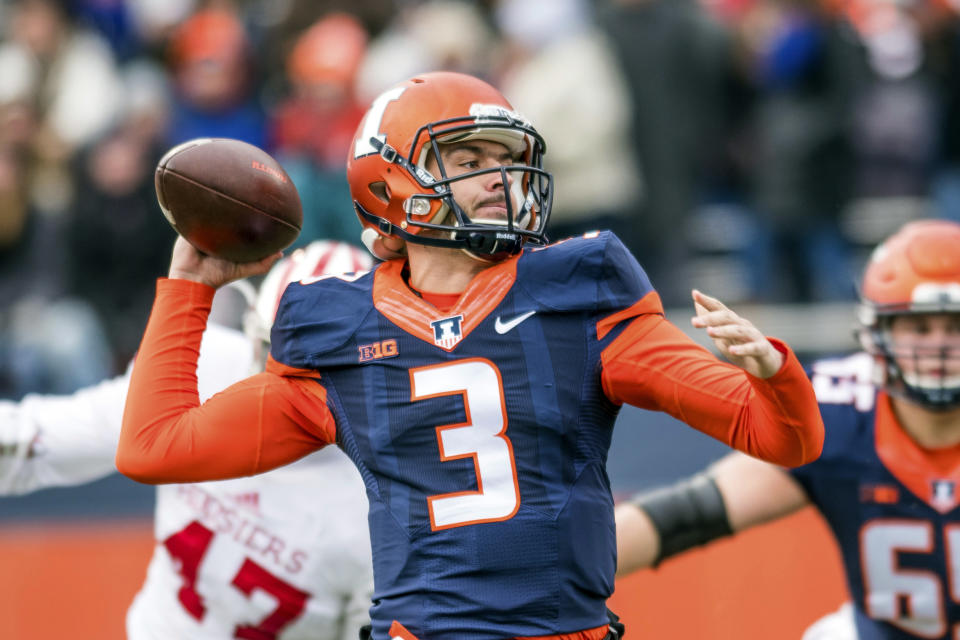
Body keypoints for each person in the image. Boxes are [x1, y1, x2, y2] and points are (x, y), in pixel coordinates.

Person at [117, 70, 825, 640]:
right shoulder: (337, 328)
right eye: (468, 159)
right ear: (389, 182)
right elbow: (153, 448)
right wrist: (189, 288)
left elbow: (784, 440)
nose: (498, 178)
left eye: (507, 161)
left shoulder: (580, 293)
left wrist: (773, 374)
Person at [1, 240, 375, 640]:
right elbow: (42, 439)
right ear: (252, 330)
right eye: (272, 351)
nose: (286, 379)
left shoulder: (382, 493)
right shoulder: (208, 360)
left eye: (318, 368)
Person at [615, 219, 960, 640]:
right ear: (879, 333)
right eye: (920, 328)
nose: (940, 348)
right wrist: (558, 570)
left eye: (956, 326)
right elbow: (692, 513)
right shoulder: (841, 412)